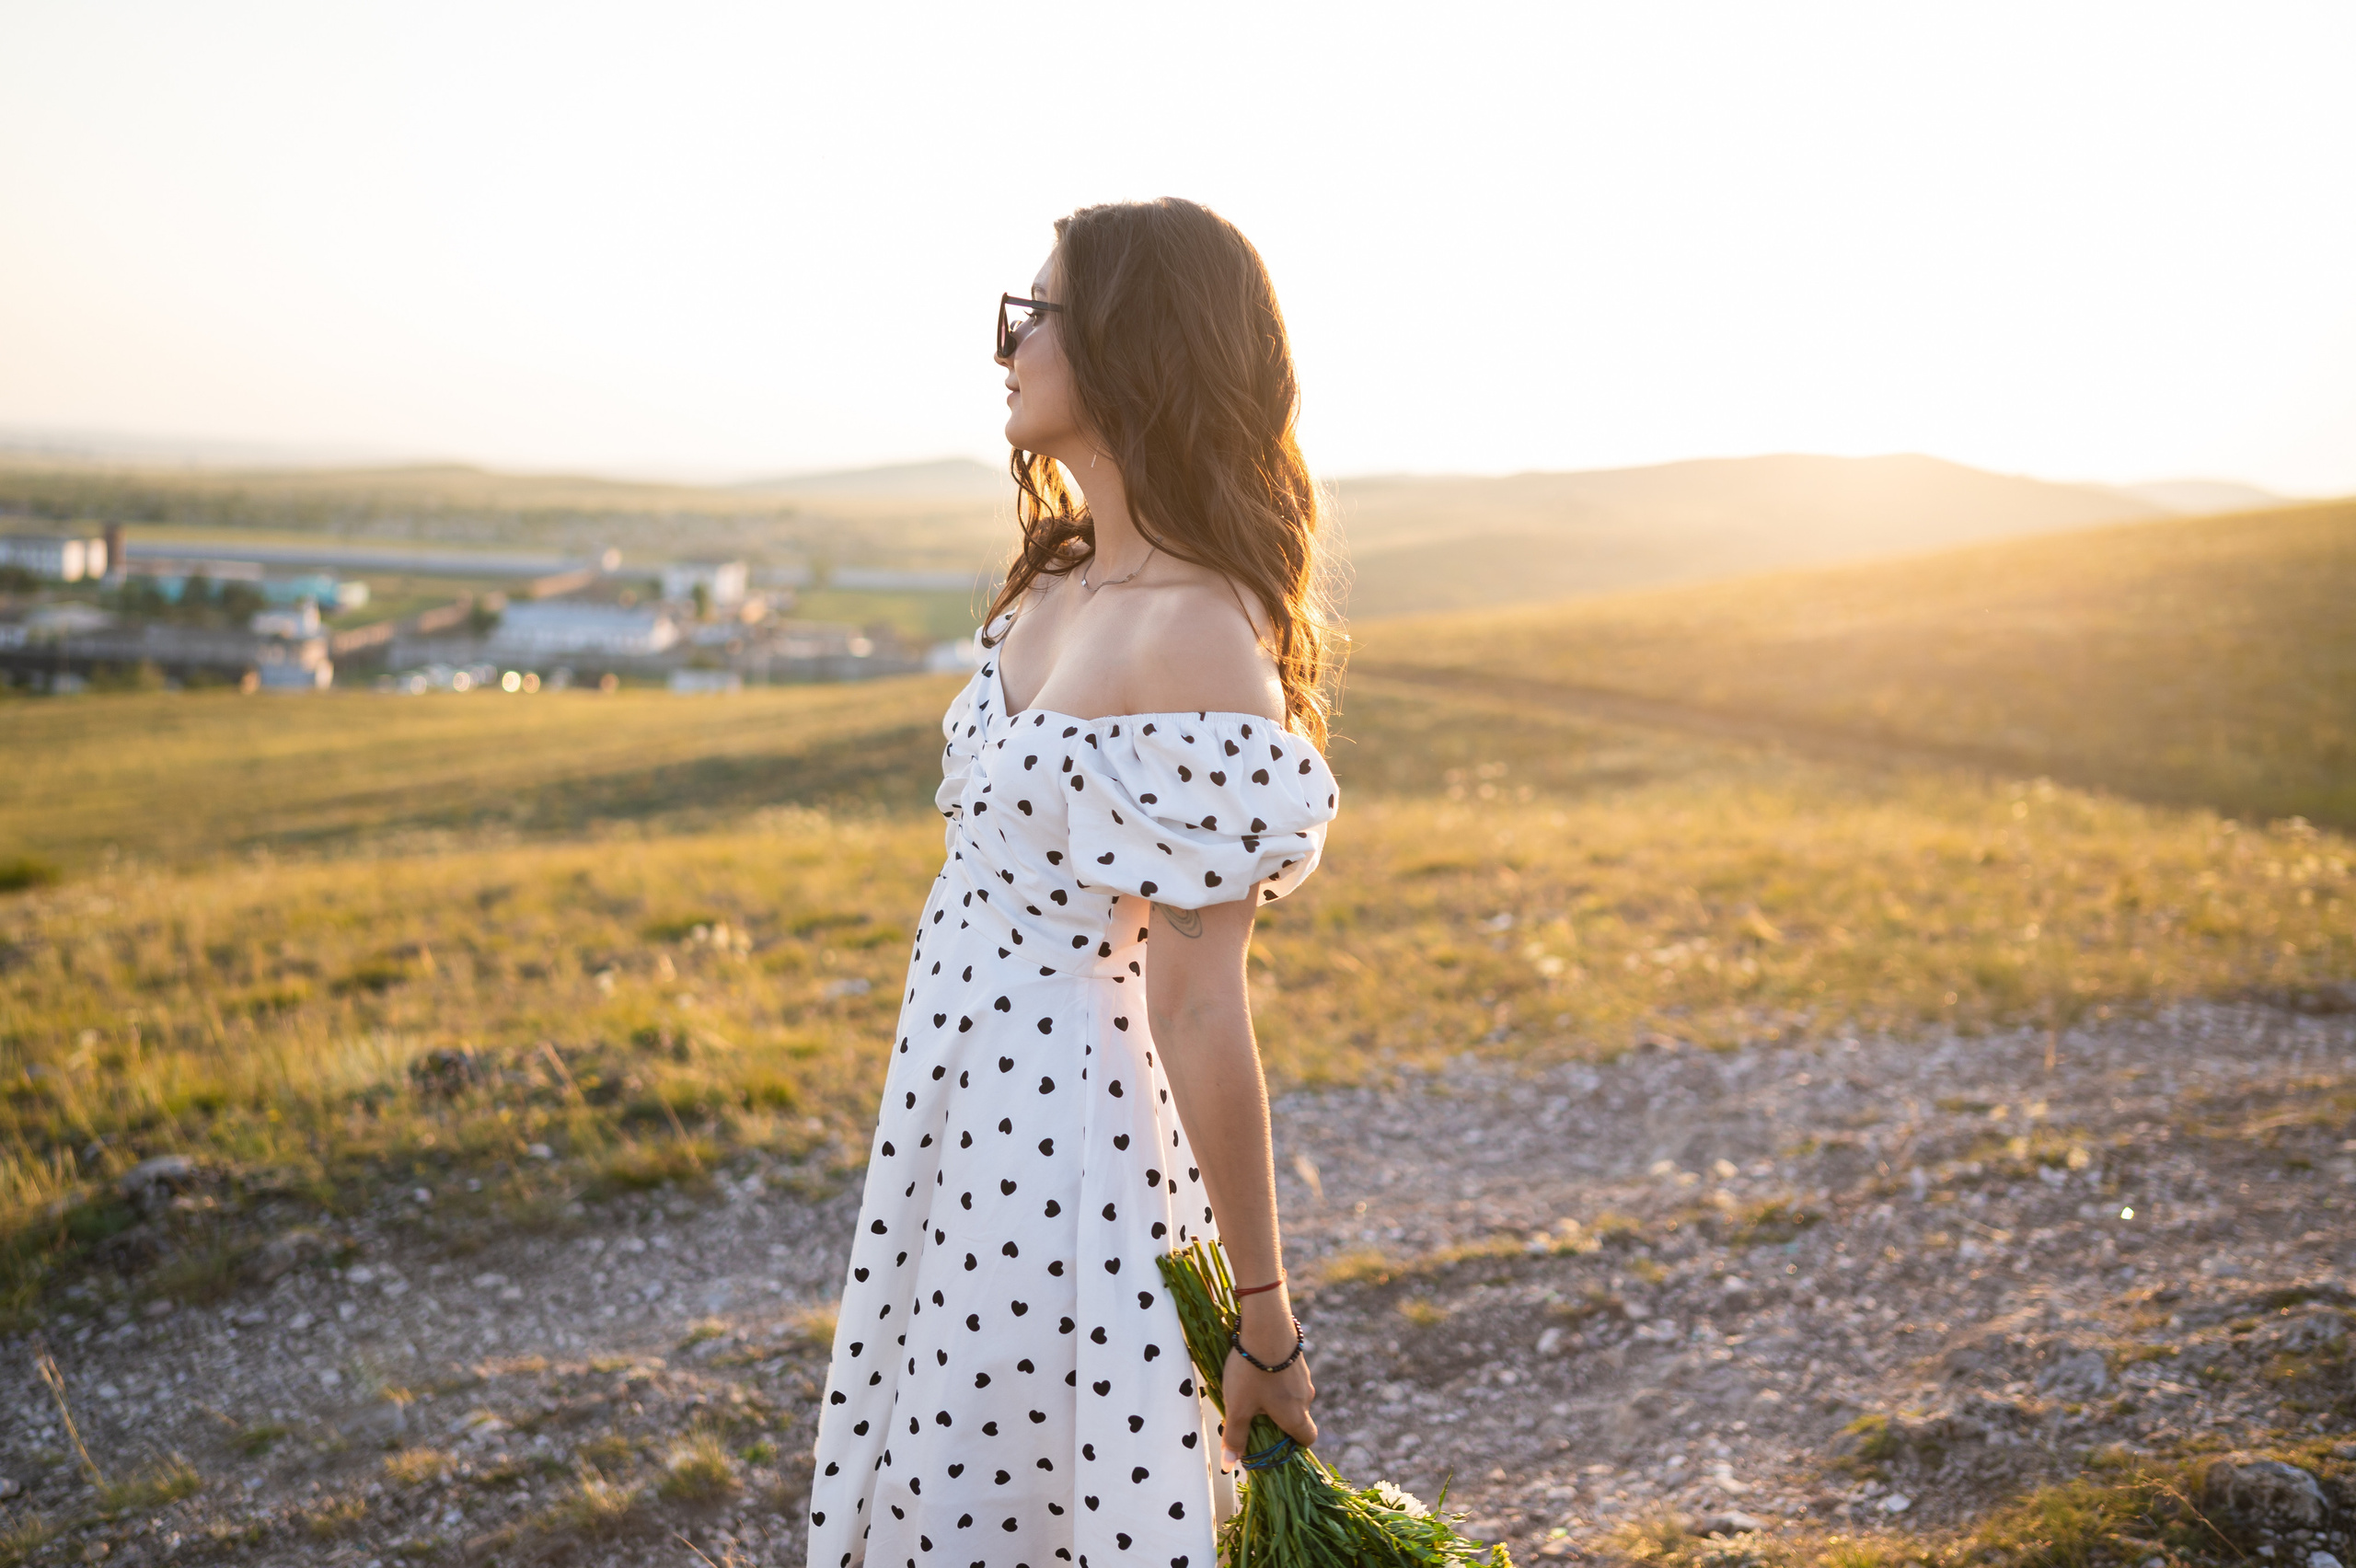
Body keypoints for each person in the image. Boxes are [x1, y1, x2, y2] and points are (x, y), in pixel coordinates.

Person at [806, 198, 1339, 1568]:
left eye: (1034, 313)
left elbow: (1203, 1005)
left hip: (1067, 1141)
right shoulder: (1061, 582)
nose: (1008, 344)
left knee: (1015, 1504)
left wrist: (1264, 1322)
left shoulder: (1206, 639)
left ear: (1130, 345)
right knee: (933, 1483)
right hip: (955, 1099)